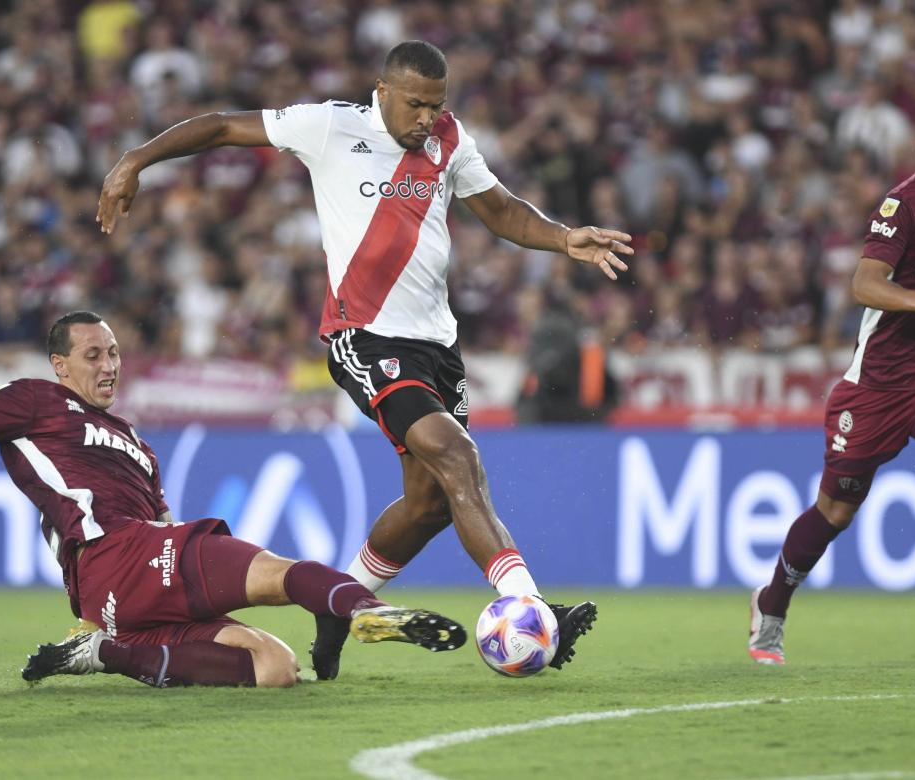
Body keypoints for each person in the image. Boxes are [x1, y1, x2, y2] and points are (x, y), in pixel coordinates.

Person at [97, 40, 631, 679]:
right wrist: (136, 158)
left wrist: (562, 237)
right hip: (366, 337)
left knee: (431, 503)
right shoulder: (330, 126)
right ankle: (528, 605)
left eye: (437, 105)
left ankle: (338, 605)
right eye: (416, 104)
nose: (427, 118)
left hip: (438, 346)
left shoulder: (450, 140)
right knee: (456, 453)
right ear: (382, 90)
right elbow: (219, 127)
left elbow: (502, 212)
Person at [0, 311, 466, 688]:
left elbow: (158, 521)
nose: (109, 365)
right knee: (279, 575)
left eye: (116, 354)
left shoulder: (136, 443)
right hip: (117, 554)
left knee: (275, 666)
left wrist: (104, 609)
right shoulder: (35, 402)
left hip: (122, 587)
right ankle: (369, 612)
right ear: (59, 365)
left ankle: (106, 650)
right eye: (93, 354)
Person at [749, 104, 915, 666]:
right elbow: (864, 283)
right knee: (835, 513)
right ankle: (772, 603)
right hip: (875, 387)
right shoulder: (902, 207)